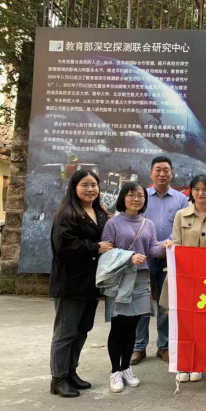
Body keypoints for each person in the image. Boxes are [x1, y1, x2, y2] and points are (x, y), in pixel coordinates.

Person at [49, 170, 113, 398]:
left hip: (91, 283)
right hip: (70, 283)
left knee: (82, 330)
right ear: (74, 187)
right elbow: (64, 246)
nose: (90, 189)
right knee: (65, 332)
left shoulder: (100, 213)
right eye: (84, 185)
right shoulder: (67, 214)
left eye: (94, 184)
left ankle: (71, 372)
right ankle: (58, 378)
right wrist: (95, 247)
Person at [102, 181, 165, 393]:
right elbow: (107, 252)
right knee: (118, 326)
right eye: (131, 195)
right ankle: (115, 371)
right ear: (123, 197)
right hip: (120, 280)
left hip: (140, 280)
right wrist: (130, 258)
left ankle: (126, 367)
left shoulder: (147, 223)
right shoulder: (113, 223)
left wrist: (165, 247)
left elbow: (151, 249)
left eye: (140, 195)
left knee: (132, 327)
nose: (136, 199)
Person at [160, 174, 206, 384]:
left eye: (205, 189)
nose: (200, 193)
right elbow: (176, 242)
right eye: (196, 189)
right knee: (182, 322)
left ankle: (198, 363)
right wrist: (170, 246)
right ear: (191, 192)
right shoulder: (181, 215)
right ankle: (183, 364)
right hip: (183, 278)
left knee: (202, 323)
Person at [131, 157, 188, 366]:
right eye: (158, 170)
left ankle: (164, 346)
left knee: (166, 303)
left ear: (172, 173)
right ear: (151, 173)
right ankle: (139, 346)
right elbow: (133, 222)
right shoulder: (141, 196)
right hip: (144, 258)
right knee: (142, 302)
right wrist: (151, 246)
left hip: (169, 258)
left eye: (166, 170)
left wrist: (165, 245)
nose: (162, 174)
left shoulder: (181, 199)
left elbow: (183, 227)